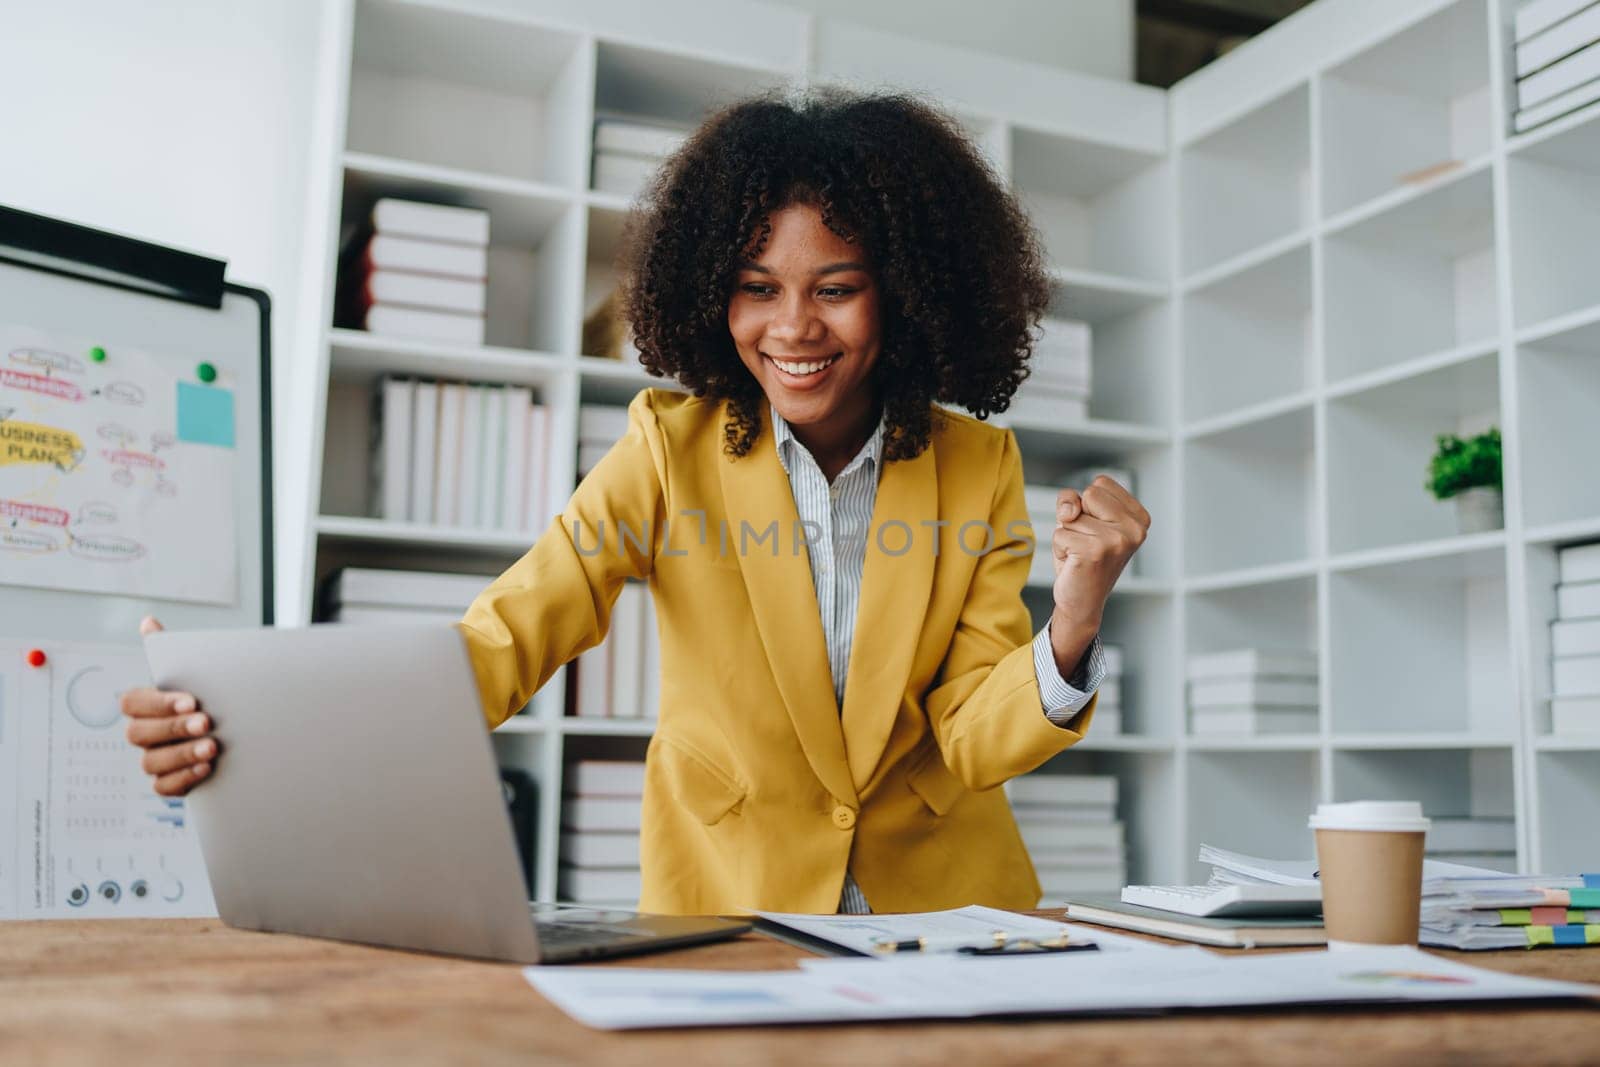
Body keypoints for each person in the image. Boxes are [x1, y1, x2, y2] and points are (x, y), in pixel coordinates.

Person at [122, 90, 1150, 916]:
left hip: (944, 917)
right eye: (756, 285)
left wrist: (1072, 617)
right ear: (712, 291)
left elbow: (973, 735)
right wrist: (253, 724)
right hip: (729, 906)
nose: (792, 327)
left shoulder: (978, 465)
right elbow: (504, 639)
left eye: (835, 286)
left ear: (907, 292)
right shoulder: (667, 448)